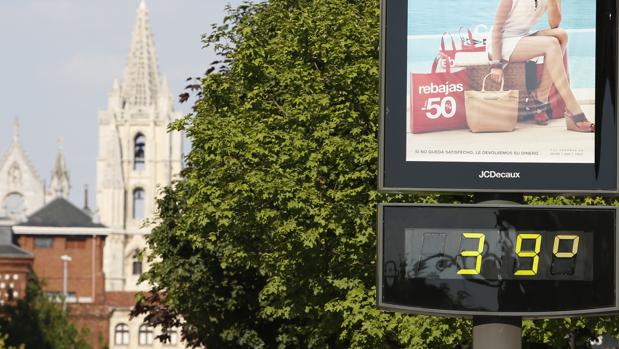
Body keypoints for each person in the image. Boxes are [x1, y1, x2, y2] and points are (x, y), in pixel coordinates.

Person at [487, 0, 594, 132]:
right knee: (551, 44)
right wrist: (496, 65)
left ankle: (541, 96)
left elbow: (554, 24)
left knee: (561, 35)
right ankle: (573, 110)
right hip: (504, 42)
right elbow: (497, 29)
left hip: (522, 37)